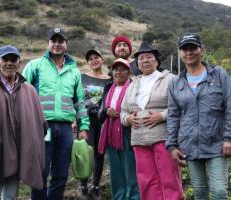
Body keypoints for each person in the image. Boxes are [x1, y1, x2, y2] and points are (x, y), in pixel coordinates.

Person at [22, 27, 90, 200]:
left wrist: (83, 126)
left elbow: (80, 103)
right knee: (41, 173)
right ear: (48, 43)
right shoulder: (34, 66)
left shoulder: (74, 71)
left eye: (61, 41)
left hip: (66, 129)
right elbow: (21, 96)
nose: (57, 44)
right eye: (54, 40)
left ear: (66, 45)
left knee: (60, 174)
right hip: (42, 127)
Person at [0, 45, 47, 199]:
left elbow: (40, 123)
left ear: (19, 62)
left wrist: (33, 146)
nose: (9, 63)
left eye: (13, 59)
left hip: (18, 151)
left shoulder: (30, 90)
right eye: (5, 59)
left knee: (10, 196)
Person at [166, 33, 231, 200]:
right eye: (184, 49)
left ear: (201, 49)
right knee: (199, 192)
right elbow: (173, 115)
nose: (189, 53)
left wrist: (228, 137)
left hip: (216, 143)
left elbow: (230, 105)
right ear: (180, 53)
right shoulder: (176, 82)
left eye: (193, 48)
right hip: (190, 145)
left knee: (219, 192)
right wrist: (172, 145)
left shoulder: (218, 75)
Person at [120, 42, 184, 200]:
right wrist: (128, 119)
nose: (145, 60)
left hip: (164, 139)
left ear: (157, 61)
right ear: (137, 63)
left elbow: (182, 106)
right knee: (146, 181)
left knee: (169, 179)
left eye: (149, 57)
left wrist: (161, 116)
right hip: (139, 140)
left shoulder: (170, 79)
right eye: (141, 58)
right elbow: (123, 112)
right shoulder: (133, 83)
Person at [98, 58, 140, 200]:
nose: (119, 72)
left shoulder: (134, 86)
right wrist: (106, 111)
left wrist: (123, 115)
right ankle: (119, 197)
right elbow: (100, 110)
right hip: (110, 133)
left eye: (123, 69)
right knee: (116, 172)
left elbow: (137, 108)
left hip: (127, 134)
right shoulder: (109, 88)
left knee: (130, 171)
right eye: (116, 69)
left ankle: (133, 197)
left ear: (129, 72)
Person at [77, 49, 110, 200]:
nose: (94, 60)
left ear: (102, 59)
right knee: (85, 152)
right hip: (86, 120)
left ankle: (96, 186)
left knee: (99, 153)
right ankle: (82, 184)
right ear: (88, 62)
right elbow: (76, 100)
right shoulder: (82, 78)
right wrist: (74, 120)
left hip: (102, 120)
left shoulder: (109, 79)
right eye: (90, 59)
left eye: (97, 57)